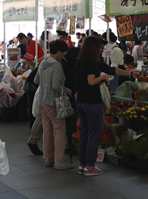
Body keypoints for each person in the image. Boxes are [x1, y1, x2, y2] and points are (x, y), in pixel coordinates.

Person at [34, 40, 74, 170]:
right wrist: (67, 90)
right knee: (59, 130)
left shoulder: (42, 63)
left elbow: (36, 80)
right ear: (58, 51)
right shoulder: (57, 65)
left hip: (42, 100)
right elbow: (56, 85)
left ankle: (48, 158)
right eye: (63, 53)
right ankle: (59, 161)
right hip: (53, 101)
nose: (63, 56)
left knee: (47, 130)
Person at [74, 37, 110, 176]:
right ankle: (90, 166)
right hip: (92, 103)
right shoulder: (92, 62)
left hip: (81, 101)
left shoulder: (79, 61)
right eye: (99, 48)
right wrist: (103, 77)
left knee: (84, 133)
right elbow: (91, 81)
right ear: (94, 48)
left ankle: (82, 165)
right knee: (93, 135)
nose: (101, 50)